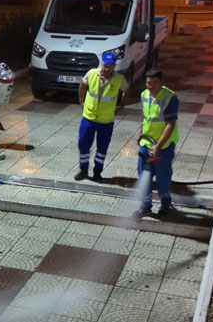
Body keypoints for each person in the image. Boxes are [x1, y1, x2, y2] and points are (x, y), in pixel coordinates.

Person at [75, 50, 128, 182]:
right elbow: (82, 85)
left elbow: (127, 90)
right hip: (89, 117)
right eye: (105, 64)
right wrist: (81, 101)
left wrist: (121, 106)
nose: (107, 67)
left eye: (110, 65)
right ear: (101, 62)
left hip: (106, 120)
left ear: (114, 65)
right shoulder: (92, 73)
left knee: (102, 149)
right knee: (83, 144)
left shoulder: (119, 79)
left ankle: (97, 173)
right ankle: (83, 170)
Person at [134, 68, 179, 218]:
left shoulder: (169, 98)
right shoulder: (144, 95)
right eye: (148, 82)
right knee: (144, 175)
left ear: (161, 82)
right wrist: (141, 135)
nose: (151, 86)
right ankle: (145, 205)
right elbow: (145, 116)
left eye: (155, 82)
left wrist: (158, 146)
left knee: (163, 176)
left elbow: (170, 125)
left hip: (164, 146)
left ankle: (165, 203)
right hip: (146, 143)